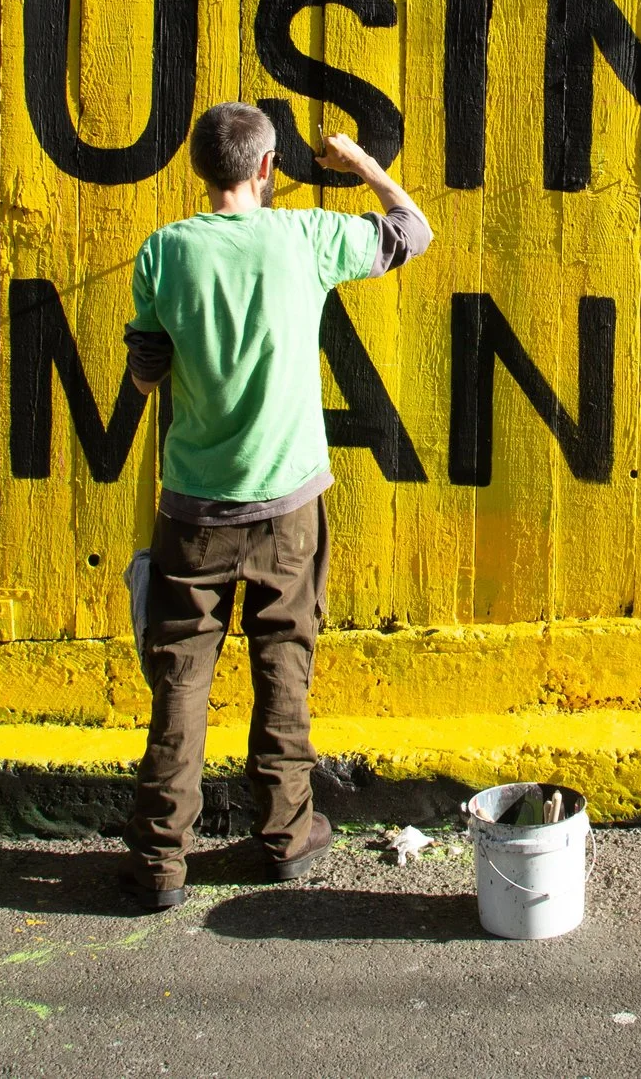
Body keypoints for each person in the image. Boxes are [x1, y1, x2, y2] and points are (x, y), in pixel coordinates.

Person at [122, 102, 432, 911]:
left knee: (181, 680)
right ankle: (287, 833)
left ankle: (161, 855)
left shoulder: (163, 251)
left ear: (201, 168)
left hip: (192, 507)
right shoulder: (308, 237)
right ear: (265, 169)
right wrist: (359, 161)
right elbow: (412, 229)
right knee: (283, 663)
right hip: (289, 505)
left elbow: (146, 375)